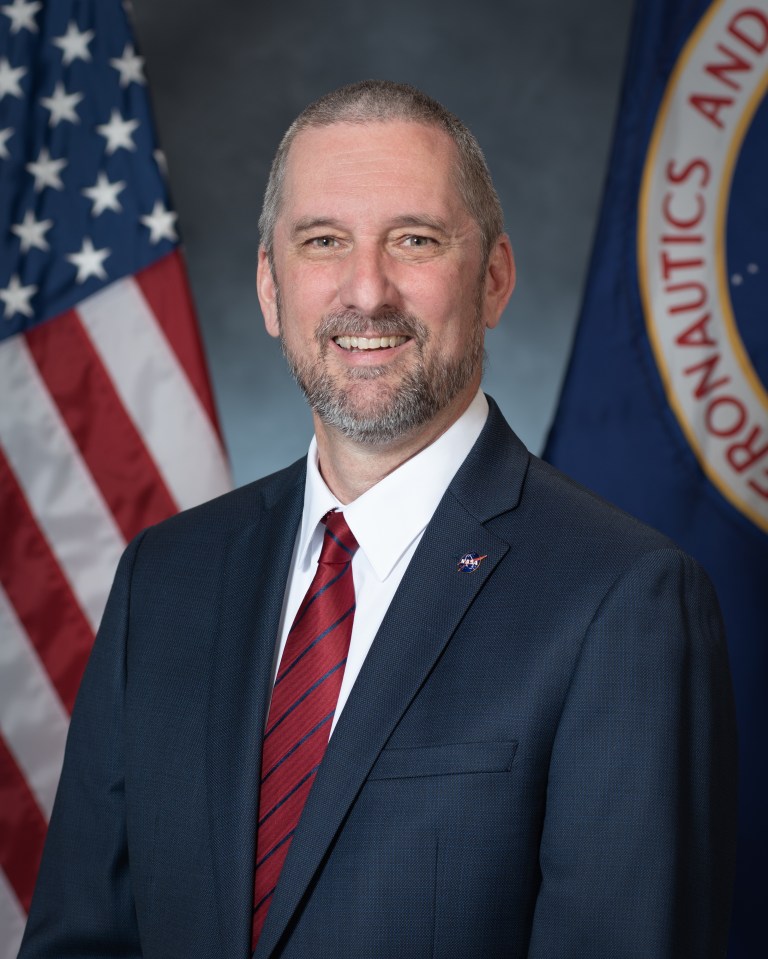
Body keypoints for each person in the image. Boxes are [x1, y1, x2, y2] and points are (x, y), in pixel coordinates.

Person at [20, 80, 737, 959]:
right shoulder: (165, 579)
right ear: (271, 289)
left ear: (495, 280)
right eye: (323, 241)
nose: (368, 290)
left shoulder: (624, 600)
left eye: (416, 240)